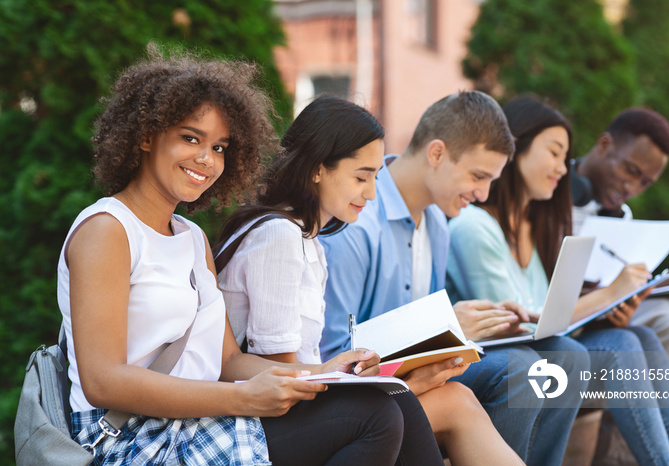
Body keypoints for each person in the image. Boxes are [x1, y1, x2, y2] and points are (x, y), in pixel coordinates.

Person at [58, 47, 438, 465]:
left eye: (219, 147)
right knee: (374, 418)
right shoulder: (107, 230)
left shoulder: (189, 238)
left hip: (196, 419)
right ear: (146, 136)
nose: (207, 159)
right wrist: (240, 398)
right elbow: (103, 381)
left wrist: (329, 374)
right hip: (131, 439)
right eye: (191, 138)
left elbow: (230, 360)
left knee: (390, 400)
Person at [214, 95, 523, 466]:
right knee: (394, 409)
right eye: (361, 177)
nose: (372, 192)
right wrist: (397, 380)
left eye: (375, 177)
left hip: (297, 401)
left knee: (409, 402)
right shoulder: (280, 236)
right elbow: (283, 375)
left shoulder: (308, 240)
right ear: (317, 168)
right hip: (259, 419)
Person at [319, 91, 590, 466]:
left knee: (566, 356)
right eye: (479, 176)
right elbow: (333, 356)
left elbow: (419, 344)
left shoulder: (437, 225)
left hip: (410, 378)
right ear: (437, 154)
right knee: (519, 372)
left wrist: (475, 325)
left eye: (491, 181)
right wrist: (439, 327)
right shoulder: (357, 220)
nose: (483, 194)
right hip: (360, 397)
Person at [447, 95, 669, 466]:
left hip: (546, 352)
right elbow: (521, 324)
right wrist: (610, 293)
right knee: (618, 348)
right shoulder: (474, 226)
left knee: (640, 337)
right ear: (514, 149)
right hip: (501, 361)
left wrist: (617, 299)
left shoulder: (530, 229)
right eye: (554, 153)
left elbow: (543, 318)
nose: (563, 168)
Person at [571, 108, 669, 367]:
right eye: (631, 170)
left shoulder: (622, 217)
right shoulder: (551, 193)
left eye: (645, 182)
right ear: (604, 144)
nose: (631, 188)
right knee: (629, 343)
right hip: (557, 323)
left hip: (593, 323)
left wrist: (620, 307)